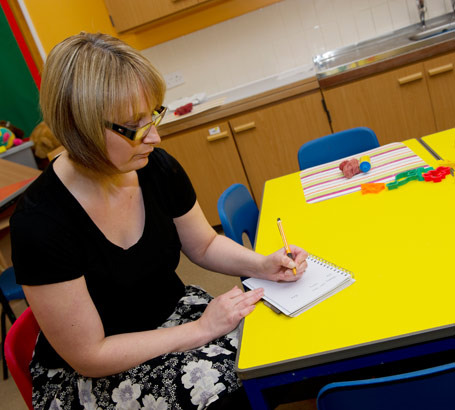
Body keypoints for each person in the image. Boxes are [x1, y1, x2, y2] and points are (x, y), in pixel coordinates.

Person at [10, 32, 308, 410]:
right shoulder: (40, 225)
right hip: (99, 370)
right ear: (81, 129)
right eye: (134, 126)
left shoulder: (155, 168)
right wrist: (200, 331)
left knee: (272, 349)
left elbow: (204, 244)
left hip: (172, 318)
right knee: (229, 389)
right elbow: (91, 356)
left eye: (153, 114)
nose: (155, 135)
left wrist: (262, 264)